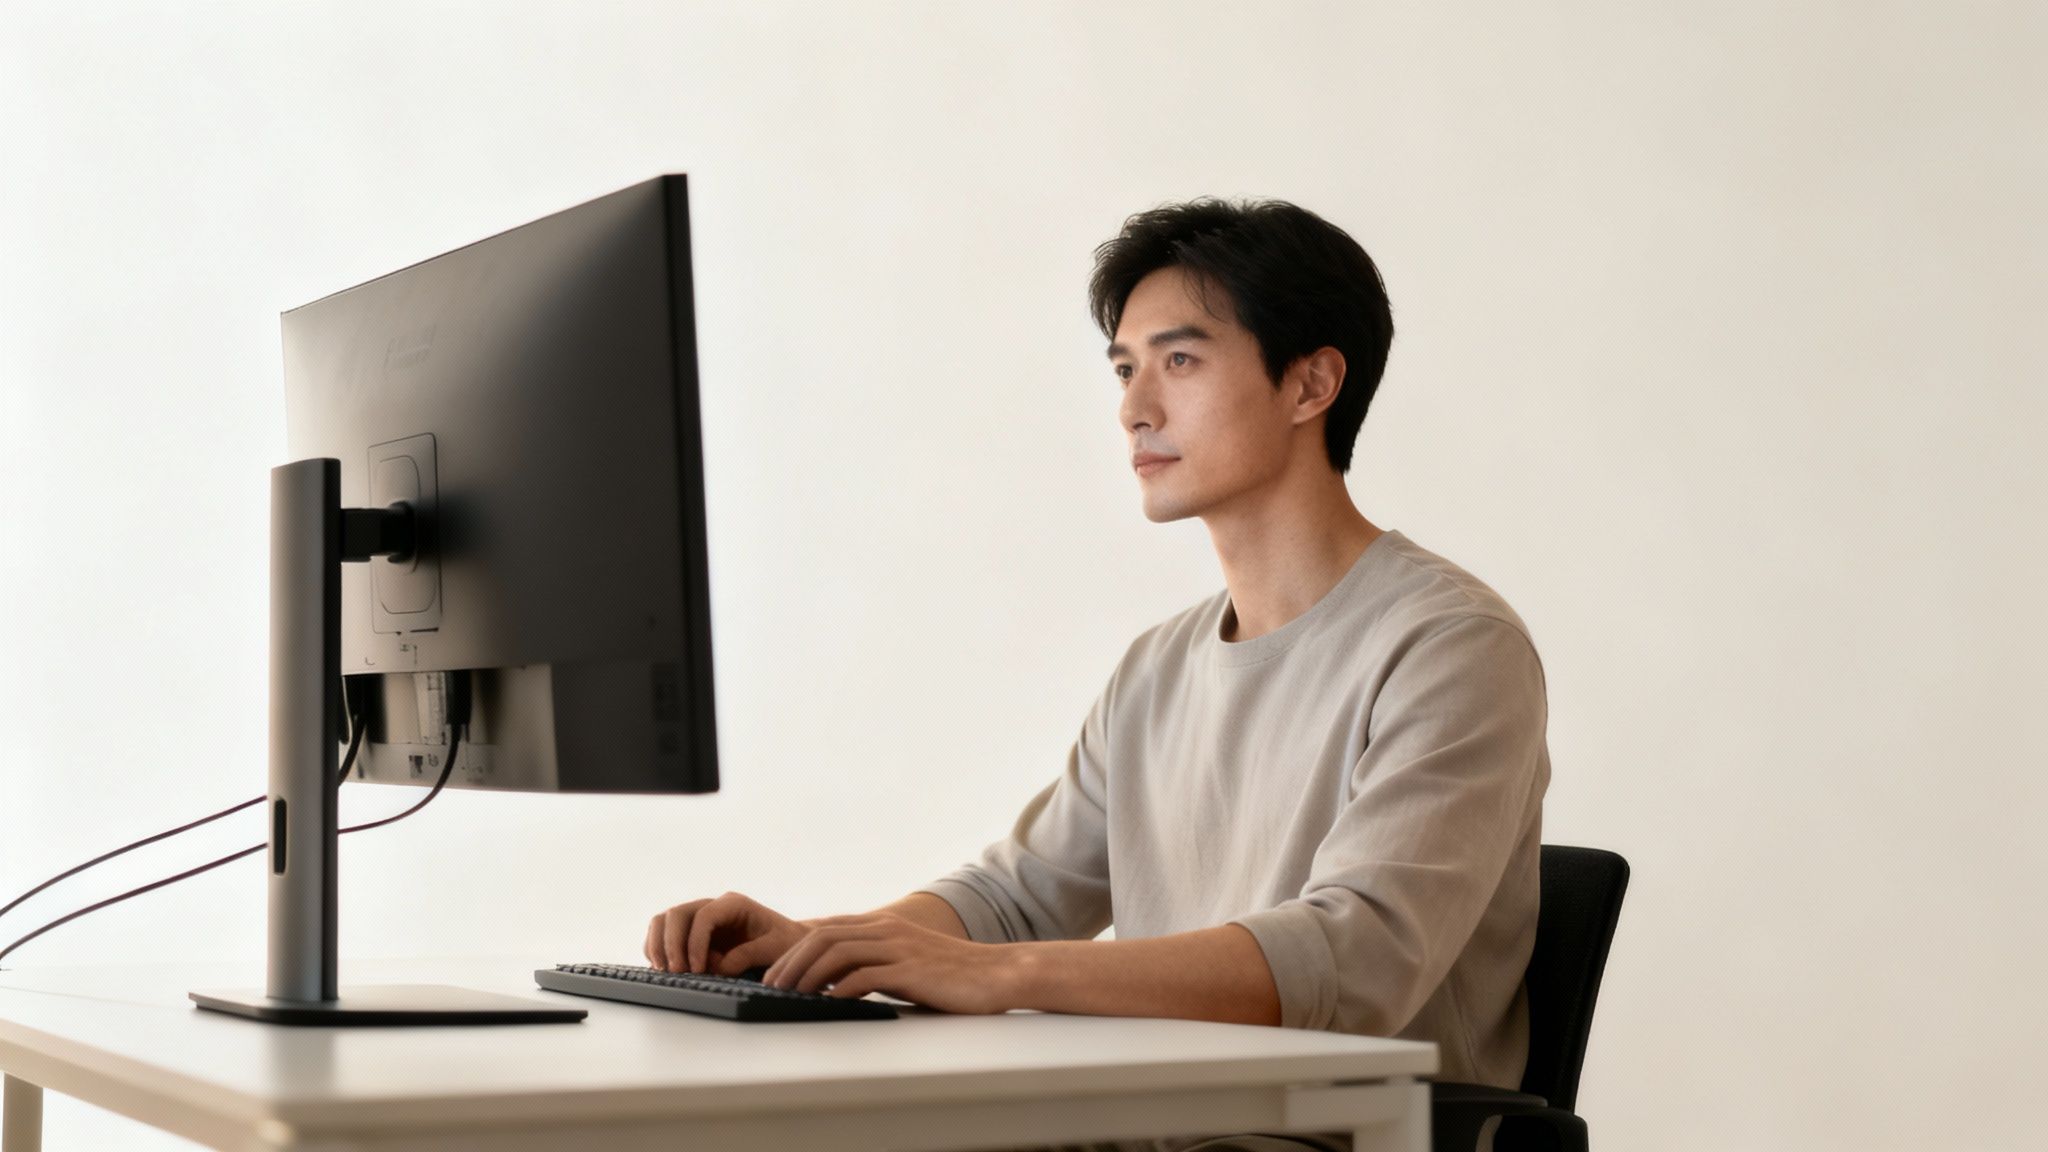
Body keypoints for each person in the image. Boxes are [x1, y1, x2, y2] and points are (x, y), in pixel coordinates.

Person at [644, 198, 1550, 1152]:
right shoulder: (1159, 666)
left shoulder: (1451, 645)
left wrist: (1003, 978)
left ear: (1311, 383)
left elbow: (1355, 959)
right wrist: (823, 949)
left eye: (1181, 360)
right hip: (1143, 1126)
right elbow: (1019, 898)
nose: (1134, 408)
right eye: (1125, 368)